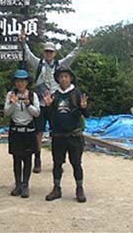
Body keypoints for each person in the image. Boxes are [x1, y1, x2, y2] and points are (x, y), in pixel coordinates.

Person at [18, 31, 87, 173]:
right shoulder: (38, 64)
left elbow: (71, 56)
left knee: (57, 130)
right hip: (41, 103)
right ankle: (37, 158)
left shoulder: (59, 65)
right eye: (46, 51)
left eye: (51, 52)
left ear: (55, 53)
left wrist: (80, 46)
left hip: (56, 103)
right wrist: (23, 42)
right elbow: (29, 54)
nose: (48, 54)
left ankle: (59, 160)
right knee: (38, 131)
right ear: (43, 53)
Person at [42, 66, 89, 203]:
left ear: (71, 78)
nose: (63, 79)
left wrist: (84, 107)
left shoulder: (77, 93)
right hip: (58, 136)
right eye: (61, 77)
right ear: (57, 79)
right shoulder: (54, 95)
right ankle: (56, 188)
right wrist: (48, 106)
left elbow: (86, 114)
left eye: (66, 76)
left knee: (76, 163)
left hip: (74, 136)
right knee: (57, 163)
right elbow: (48, 116)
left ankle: (79, 188)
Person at [3, 70, 41, 198]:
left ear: (27, 82)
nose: (20, 84)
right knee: (16, 158)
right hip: (15, 131)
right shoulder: (10, 94)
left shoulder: (32, 95)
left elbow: (37, 113)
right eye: (18, 81)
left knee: (27, 159)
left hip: (28, 131)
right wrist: (13, 103)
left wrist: (28, 104)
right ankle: (18, 184)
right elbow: (6, 112)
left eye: (23, 81)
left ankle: (25, 184)